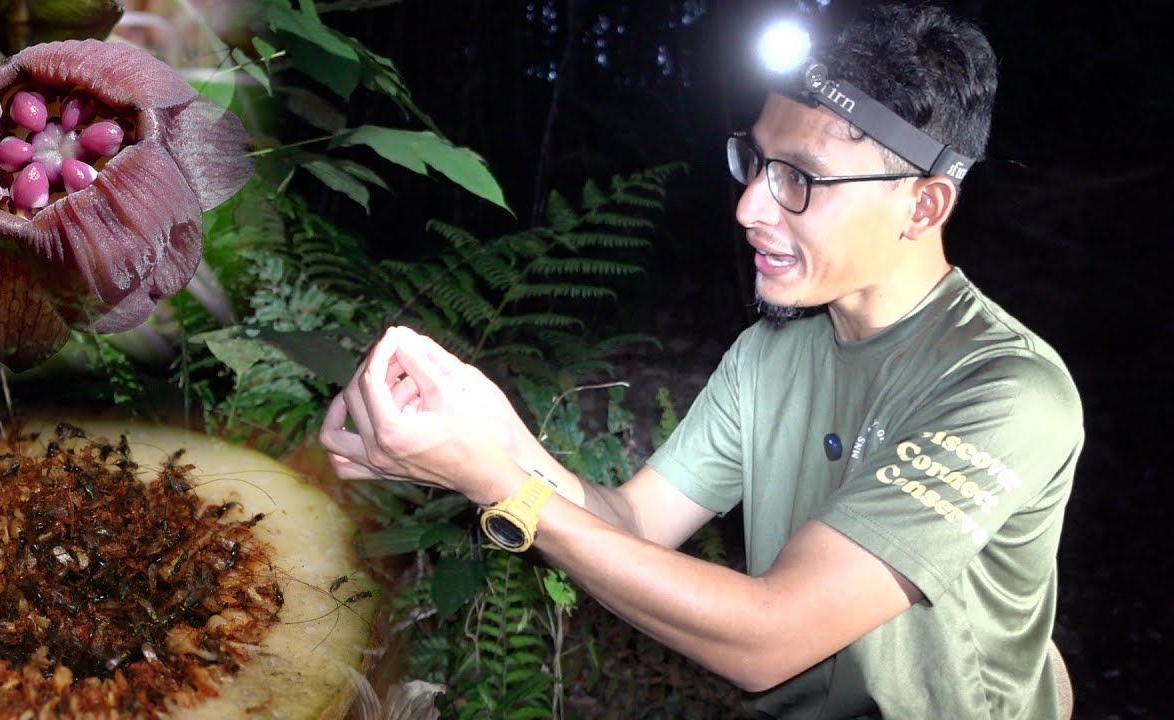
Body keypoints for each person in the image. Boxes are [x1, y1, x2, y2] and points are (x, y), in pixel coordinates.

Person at [319, 3, 1083, 718]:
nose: (750, 206)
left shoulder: (1004, 390)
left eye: (799, 179)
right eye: (755, 161)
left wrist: (494, 484)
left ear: (921, 206)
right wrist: (487, 438)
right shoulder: (769, 354)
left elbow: (769, 636)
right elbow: (633, 523)